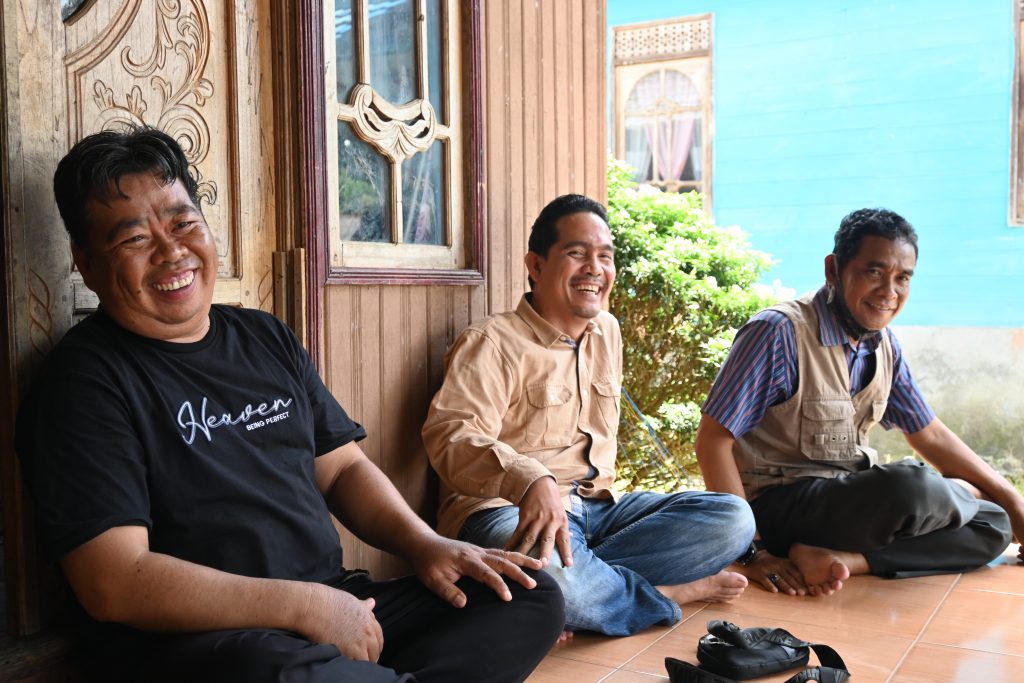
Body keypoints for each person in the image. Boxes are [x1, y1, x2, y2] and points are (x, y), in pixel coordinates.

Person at [15, 126, 564, 683]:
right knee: (279, 672)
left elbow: (343, 468)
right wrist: (303, 607)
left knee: (525, 593)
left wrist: (425, 545)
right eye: (134, 239)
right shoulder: (83, 384)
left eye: (183, 223)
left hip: (334, 604)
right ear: (84, 261)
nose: (171, 251)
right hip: (207, 644)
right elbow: (116, 580)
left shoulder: (263, 337)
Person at [422, 194, 755, 637]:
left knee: (734, 519)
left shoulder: (607, 331)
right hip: (507, 512)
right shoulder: (492, 341)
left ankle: (575, 595)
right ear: (536, 266)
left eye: (604, 256)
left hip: (596, 511)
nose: (594, 269)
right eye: (576, 253)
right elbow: (451, 434)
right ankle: (664, 594)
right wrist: (529, 478)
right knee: (558, 579)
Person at [695, 207, 1021, 598]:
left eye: (902, 278)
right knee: (913, 489)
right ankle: (960, 496)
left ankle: (845, 560)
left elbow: (929, 433)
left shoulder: (883, 346)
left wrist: (1013, 504)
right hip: (778, 506)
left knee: (994, 525)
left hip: (847, 505)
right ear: (834, 270)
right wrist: (753, 551)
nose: (889, 292)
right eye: (874, 272)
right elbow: (712, 440)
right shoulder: (779, 333)